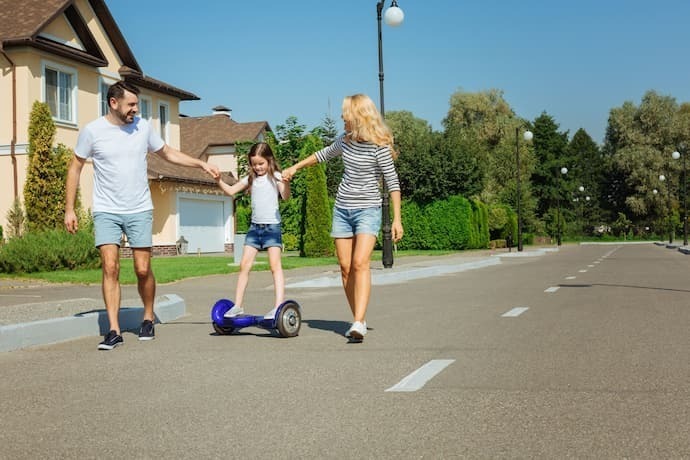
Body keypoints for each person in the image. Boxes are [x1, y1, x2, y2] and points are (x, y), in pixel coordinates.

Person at [64, 81, 220, 350]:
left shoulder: (143, 128)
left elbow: (168, 153)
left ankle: (148, 317)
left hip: (139, 208)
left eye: (137, 104)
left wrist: (200, 163)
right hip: (107, 209)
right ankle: (114, 330)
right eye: (131, 105)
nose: (136, 109)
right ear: (114, 103)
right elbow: (75, 167)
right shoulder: (93, 131)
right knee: (110, 267)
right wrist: (69, 208)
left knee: (142, 268)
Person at [282, 93, 403, 340]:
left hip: (368, 210)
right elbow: (322, 155)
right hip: (342, 209)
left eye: (345, 113)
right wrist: (295, 167)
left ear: (357, 116)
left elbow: (393, 183)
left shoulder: (378, 147)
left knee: (360, 263)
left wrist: (397, 219)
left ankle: (358, 321)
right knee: (346, 268)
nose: (341, 117)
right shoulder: (345, 141)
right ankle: (358, 317)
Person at [216, 143, 290, 319]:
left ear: (269, 161)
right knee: (244, 266)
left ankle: (278, 306)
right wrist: (217, 179)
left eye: (261, 164)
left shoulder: (277, 177)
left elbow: (285, 196)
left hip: (272, 228)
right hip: (254, 229)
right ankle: (238, 305)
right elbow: (231, 191)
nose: (257, 167)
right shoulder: (250, 179)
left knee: (275, 267)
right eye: (254, 164)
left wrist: (286, 183)